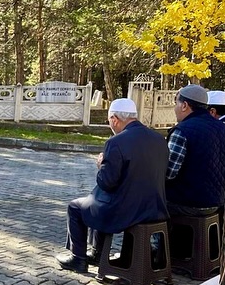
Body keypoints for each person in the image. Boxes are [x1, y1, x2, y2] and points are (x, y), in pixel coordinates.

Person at [55, 99, 169, 272]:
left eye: (109, 121)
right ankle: (97, 253)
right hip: (155, 207)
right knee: (96, 200)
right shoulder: (159, 139)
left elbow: (107, 182)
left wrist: (101, 165)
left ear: (115, 119)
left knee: (77, 207)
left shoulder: (116, 142)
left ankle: (78, 258)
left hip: (124, 210)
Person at [166, 84, 225, 217]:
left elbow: (169, 173)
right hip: (218, 202)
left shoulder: (182, 131)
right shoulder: (224, 128)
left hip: (186, 203)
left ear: (184, 105)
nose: (174, 108)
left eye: (176, 103)